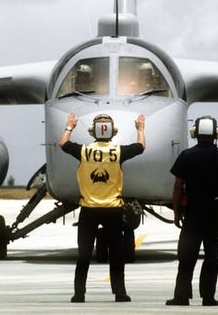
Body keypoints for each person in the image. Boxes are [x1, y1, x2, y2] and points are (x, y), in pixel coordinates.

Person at [59, 112, 146, 303]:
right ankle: (120, 293)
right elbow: (141, 147)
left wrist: (69, 127)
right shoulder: (118, 152)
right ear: (113, 133)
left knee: (84, 253)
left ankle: (79, 293)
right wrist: (140, 129)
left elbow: (63, 143)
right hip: (113, 209)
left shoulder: (84, 151)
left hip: (88, 209)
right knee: (117, 254)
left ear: (92, 132)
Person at [166, 116, 218, 307]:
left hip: (193, 213)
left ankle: (181, 296)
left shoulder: (186, 156)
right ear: (216, 134)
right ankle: (208, 297)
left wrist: (177, 212)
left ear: (194, 133)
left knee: (186, 256)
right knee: (212, 256)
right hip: (214, 212)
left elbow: (178, 186)